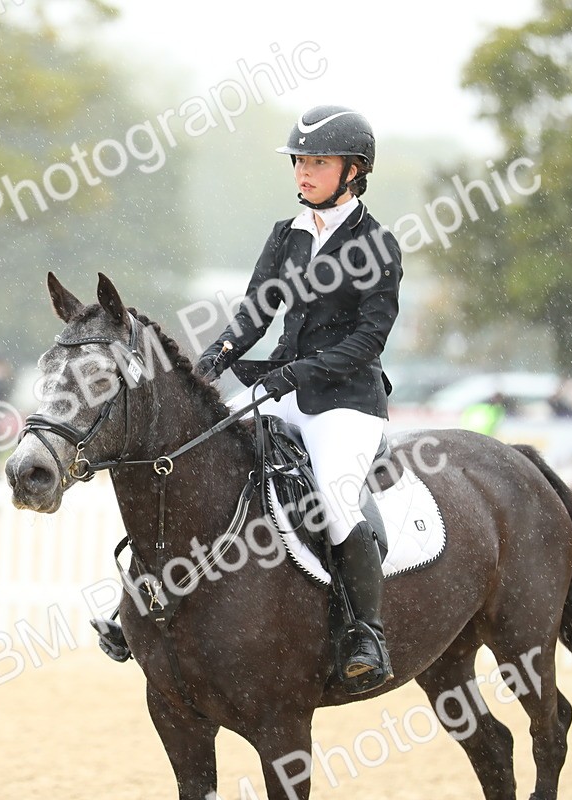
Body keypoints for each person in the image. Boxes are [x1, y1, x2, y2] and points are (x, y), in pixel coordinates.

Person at [193, 105, 402, 694]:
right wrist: (219, 354)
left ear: (354, 171)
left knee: (335, 502)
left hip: (346, 402)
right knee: (209, 462)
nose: (303, 173)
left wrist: (301, 372)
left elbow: (369, 337)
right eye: (299, 162)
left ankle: (367, 632)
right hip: (284, 384)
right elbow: (257, 310)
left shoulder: (377, 243)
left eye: (317, 162)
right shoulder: (285, 236)